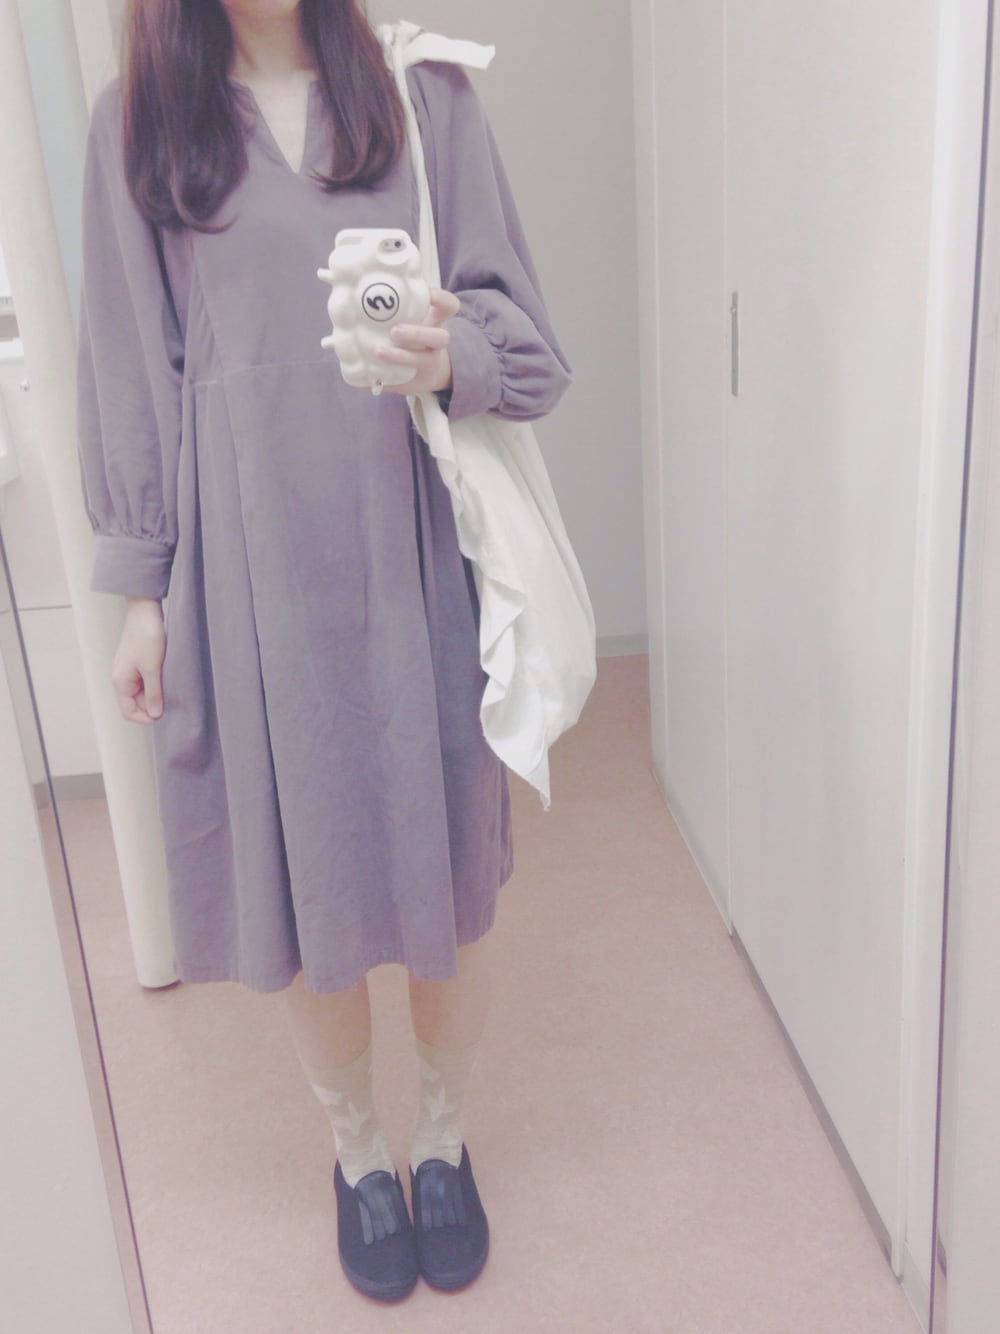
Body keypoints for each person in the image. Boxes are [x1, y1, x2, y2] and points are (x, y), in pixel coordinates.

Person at [76, 0, 571, 1304]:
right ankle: (359, 1155)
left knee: (445, 863)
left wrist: (448, 352)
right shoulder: (137, 125)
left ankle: (443, 1141)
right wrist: (141, 594)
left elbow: (522, 336)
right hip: (250, 568)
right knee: (310, 877)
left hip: (415, 545)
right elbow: (132, 367)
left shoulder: (425, 94)